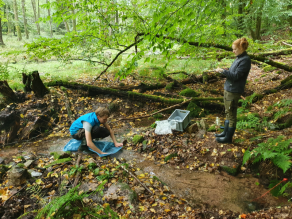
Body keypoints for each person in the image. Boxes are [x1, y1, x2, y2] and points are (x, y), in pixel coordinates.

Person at [215, 38, 251, 143]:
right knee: (228, 112)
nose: (233, 51)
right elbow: (232, 71)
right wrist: (224, 70)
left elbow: (236, 76)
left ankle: (228, 138)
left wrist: (223, 71)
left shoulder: (245, 60)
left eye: (235, 49)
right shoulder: (238, 58)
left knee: (231, 114)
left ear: (241, 48)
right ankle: (225, 133)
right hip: (229, 88)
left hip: (234, 90)